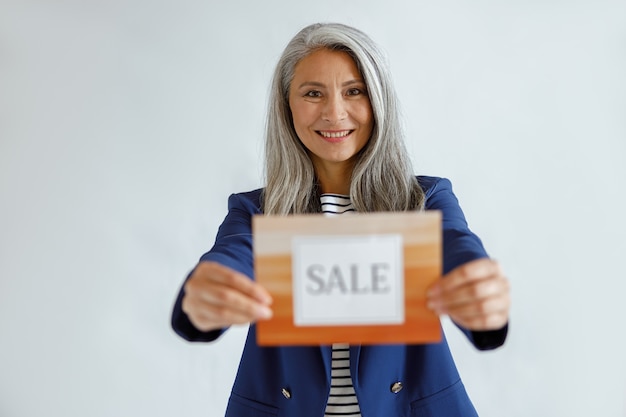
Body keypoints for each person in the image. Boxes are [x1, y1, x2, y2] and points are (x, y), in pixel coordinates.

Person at [171, 22, 510, 417]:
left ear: (378, 100)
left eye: (354, 91)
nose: (334, 113)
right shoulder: (257, 211)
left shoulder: (424, 199)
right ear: (287, 106)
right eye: (313, 93)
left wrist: (481, 290)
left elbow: (457, 247)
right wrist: (204, 296)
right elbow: (230, 257)